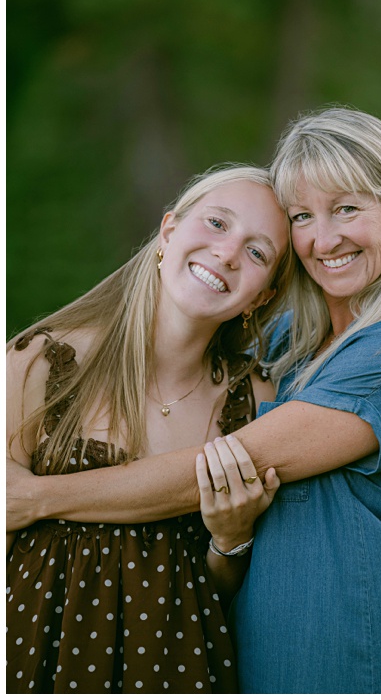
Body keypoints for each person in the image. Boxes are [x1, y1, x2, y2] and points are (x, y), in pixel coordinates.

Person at [7, 107, 381, 693]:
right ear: (167, 229)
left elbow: (224, 467)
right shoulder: (284, 349)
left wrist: (35, 497)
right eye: (304, 216)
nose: (323, 239)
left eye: (348, 209)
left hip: (369, 662)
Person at [6, 165, 293, 692]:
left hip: (176, 670)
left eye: (257, 253)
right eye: (216, 223)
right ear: (167, 233)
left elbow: (217, 594)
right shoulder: (39, 364)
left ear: (261, 297)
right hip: (35, 660)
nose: (228, 253)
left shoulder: (257, 404)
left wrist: (231, 539)